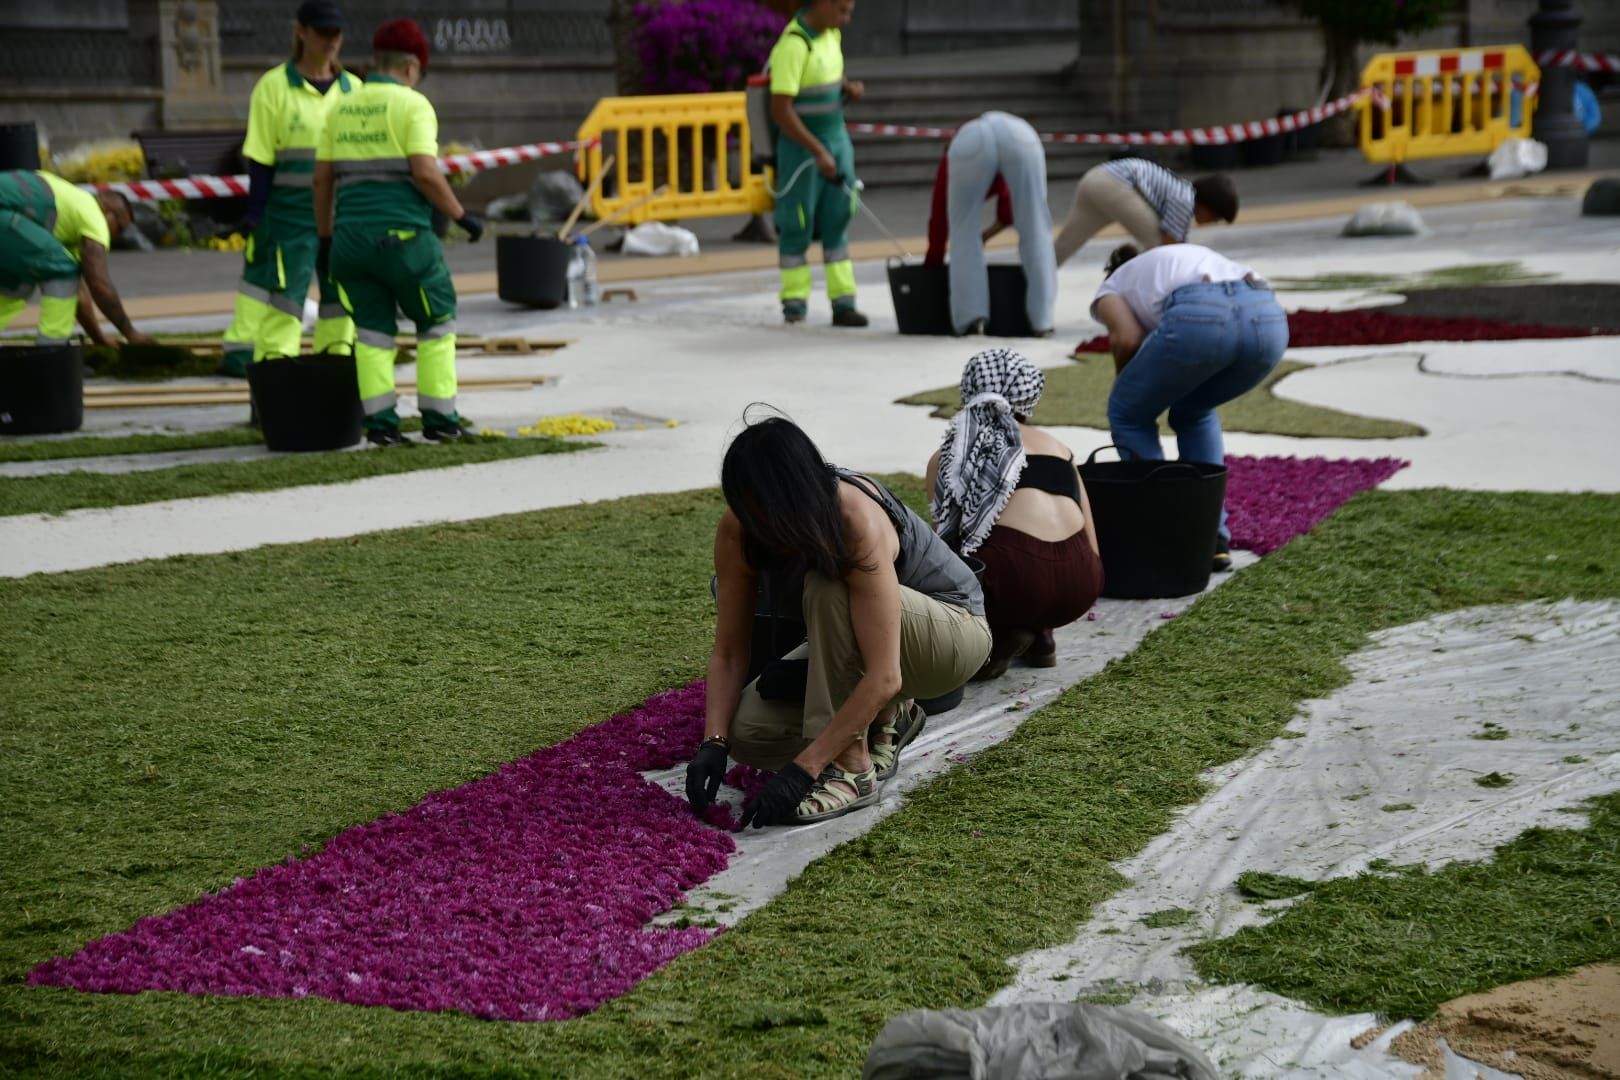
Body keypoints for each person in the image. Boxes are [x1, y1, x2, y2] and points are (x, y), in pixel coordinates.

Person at [686, 415, 992, 827]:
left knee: (829, 585)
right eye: (748, 508)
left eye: (767, 511)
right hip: (872, 638)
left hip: (953, 634)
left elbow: (885, 675)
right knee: (750, 733)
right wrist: (714, 743)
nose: (760, 524)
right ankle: (889, 718)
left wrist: (805, 769)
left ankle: (853, 771)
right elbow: (728, 652)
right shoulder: (740, 529)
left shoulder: (853, 520)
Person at [313, 18, 484, 447]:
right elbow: (425, 173)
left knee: (371, 332)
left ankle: (382, 426)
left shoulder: (340, 107)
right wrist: (462, 216)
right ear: (410, 67)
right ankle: (440, 419)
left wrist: (326, 236)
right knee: (436, 319)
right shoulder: (413, 105)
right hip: (404, 239)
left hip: (350, 242)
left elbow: (321, 180)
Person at [1092, 242, 1289, 571]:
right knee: (1193, 410)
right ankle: (1213, 539)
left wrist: (1130, 391)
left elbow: (1126, 338)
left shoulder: (1112, 286)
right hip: (1268, 319)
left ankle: (1169, 532)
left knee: (1128, 415)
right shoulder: (1174, 260)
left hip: (1200, 316)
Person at [926, 349, 1102, 679]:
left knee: (968, 555)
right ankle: (1040, 634)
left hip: (1013, 584)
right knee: (1031, 558)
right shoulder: (1059, 448)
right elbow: (1091, 538)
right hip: (1081, 583)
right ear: (1029, 394)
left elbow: (945, 552)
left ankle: (997, 638)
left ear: (970, 389)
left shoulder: (955, 450)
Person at [219, 0, 357, 378]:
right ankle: (274, 377)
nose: (331, 41)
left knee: (340, 300)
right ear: (301, 31)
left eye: (337, 33)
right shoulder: (273, 88)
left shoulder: (354, 90)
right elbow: (261, 159)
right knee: (285, 302)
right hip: (290, 216)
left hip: (341, 216)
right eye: (323, 32)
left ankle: (336, 367)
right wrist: (256, 215)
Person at [768, 0, 869, 328]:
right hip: (802, 152)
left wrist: (847, 89)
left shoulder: (831, 36)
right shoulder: (793, 45)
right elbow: (781, 110)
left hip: (837, 141)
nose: (847, 18)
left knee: (839, 216)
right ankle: (794, 302)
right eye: (842, 9)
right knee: (797, 223)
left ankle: (844, 302)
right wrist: (816, 152)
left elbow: (830, 76)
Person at [923, 112, 1055, 337]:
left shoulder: (956, 151)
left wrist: (932, 263)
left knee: (963, 231)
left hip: (972, 143)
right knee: (1036, 225)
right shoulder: (1007, 134)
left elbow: (940, 218)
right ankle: (1042, 321)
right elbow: (1008, 213)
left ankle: (971, 320)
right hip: (1022, 135)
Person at [0, 170, 154, 349]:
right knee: (62, 269)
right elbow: (99, 285)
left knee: (17, 283)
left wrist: (98, 338)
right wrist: (130, 333)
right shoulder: (94, 216)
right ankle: (52, 352)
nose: (116, 236)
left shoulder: (71, 212)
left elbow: (78, 294)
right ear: (110, 213)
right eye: (120, 229)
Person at [1054, 158, 1237, 268]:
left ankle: (1028, 280)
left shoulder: (1181, 191)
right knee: (1160, 249)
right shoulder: (1185, 200)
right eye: (1217, 217)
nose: (1214, 222)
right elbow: (1170, 247)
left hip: (1096, 178)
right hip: (1116, 183)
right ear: (1208, 206)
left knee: (1064, 246)